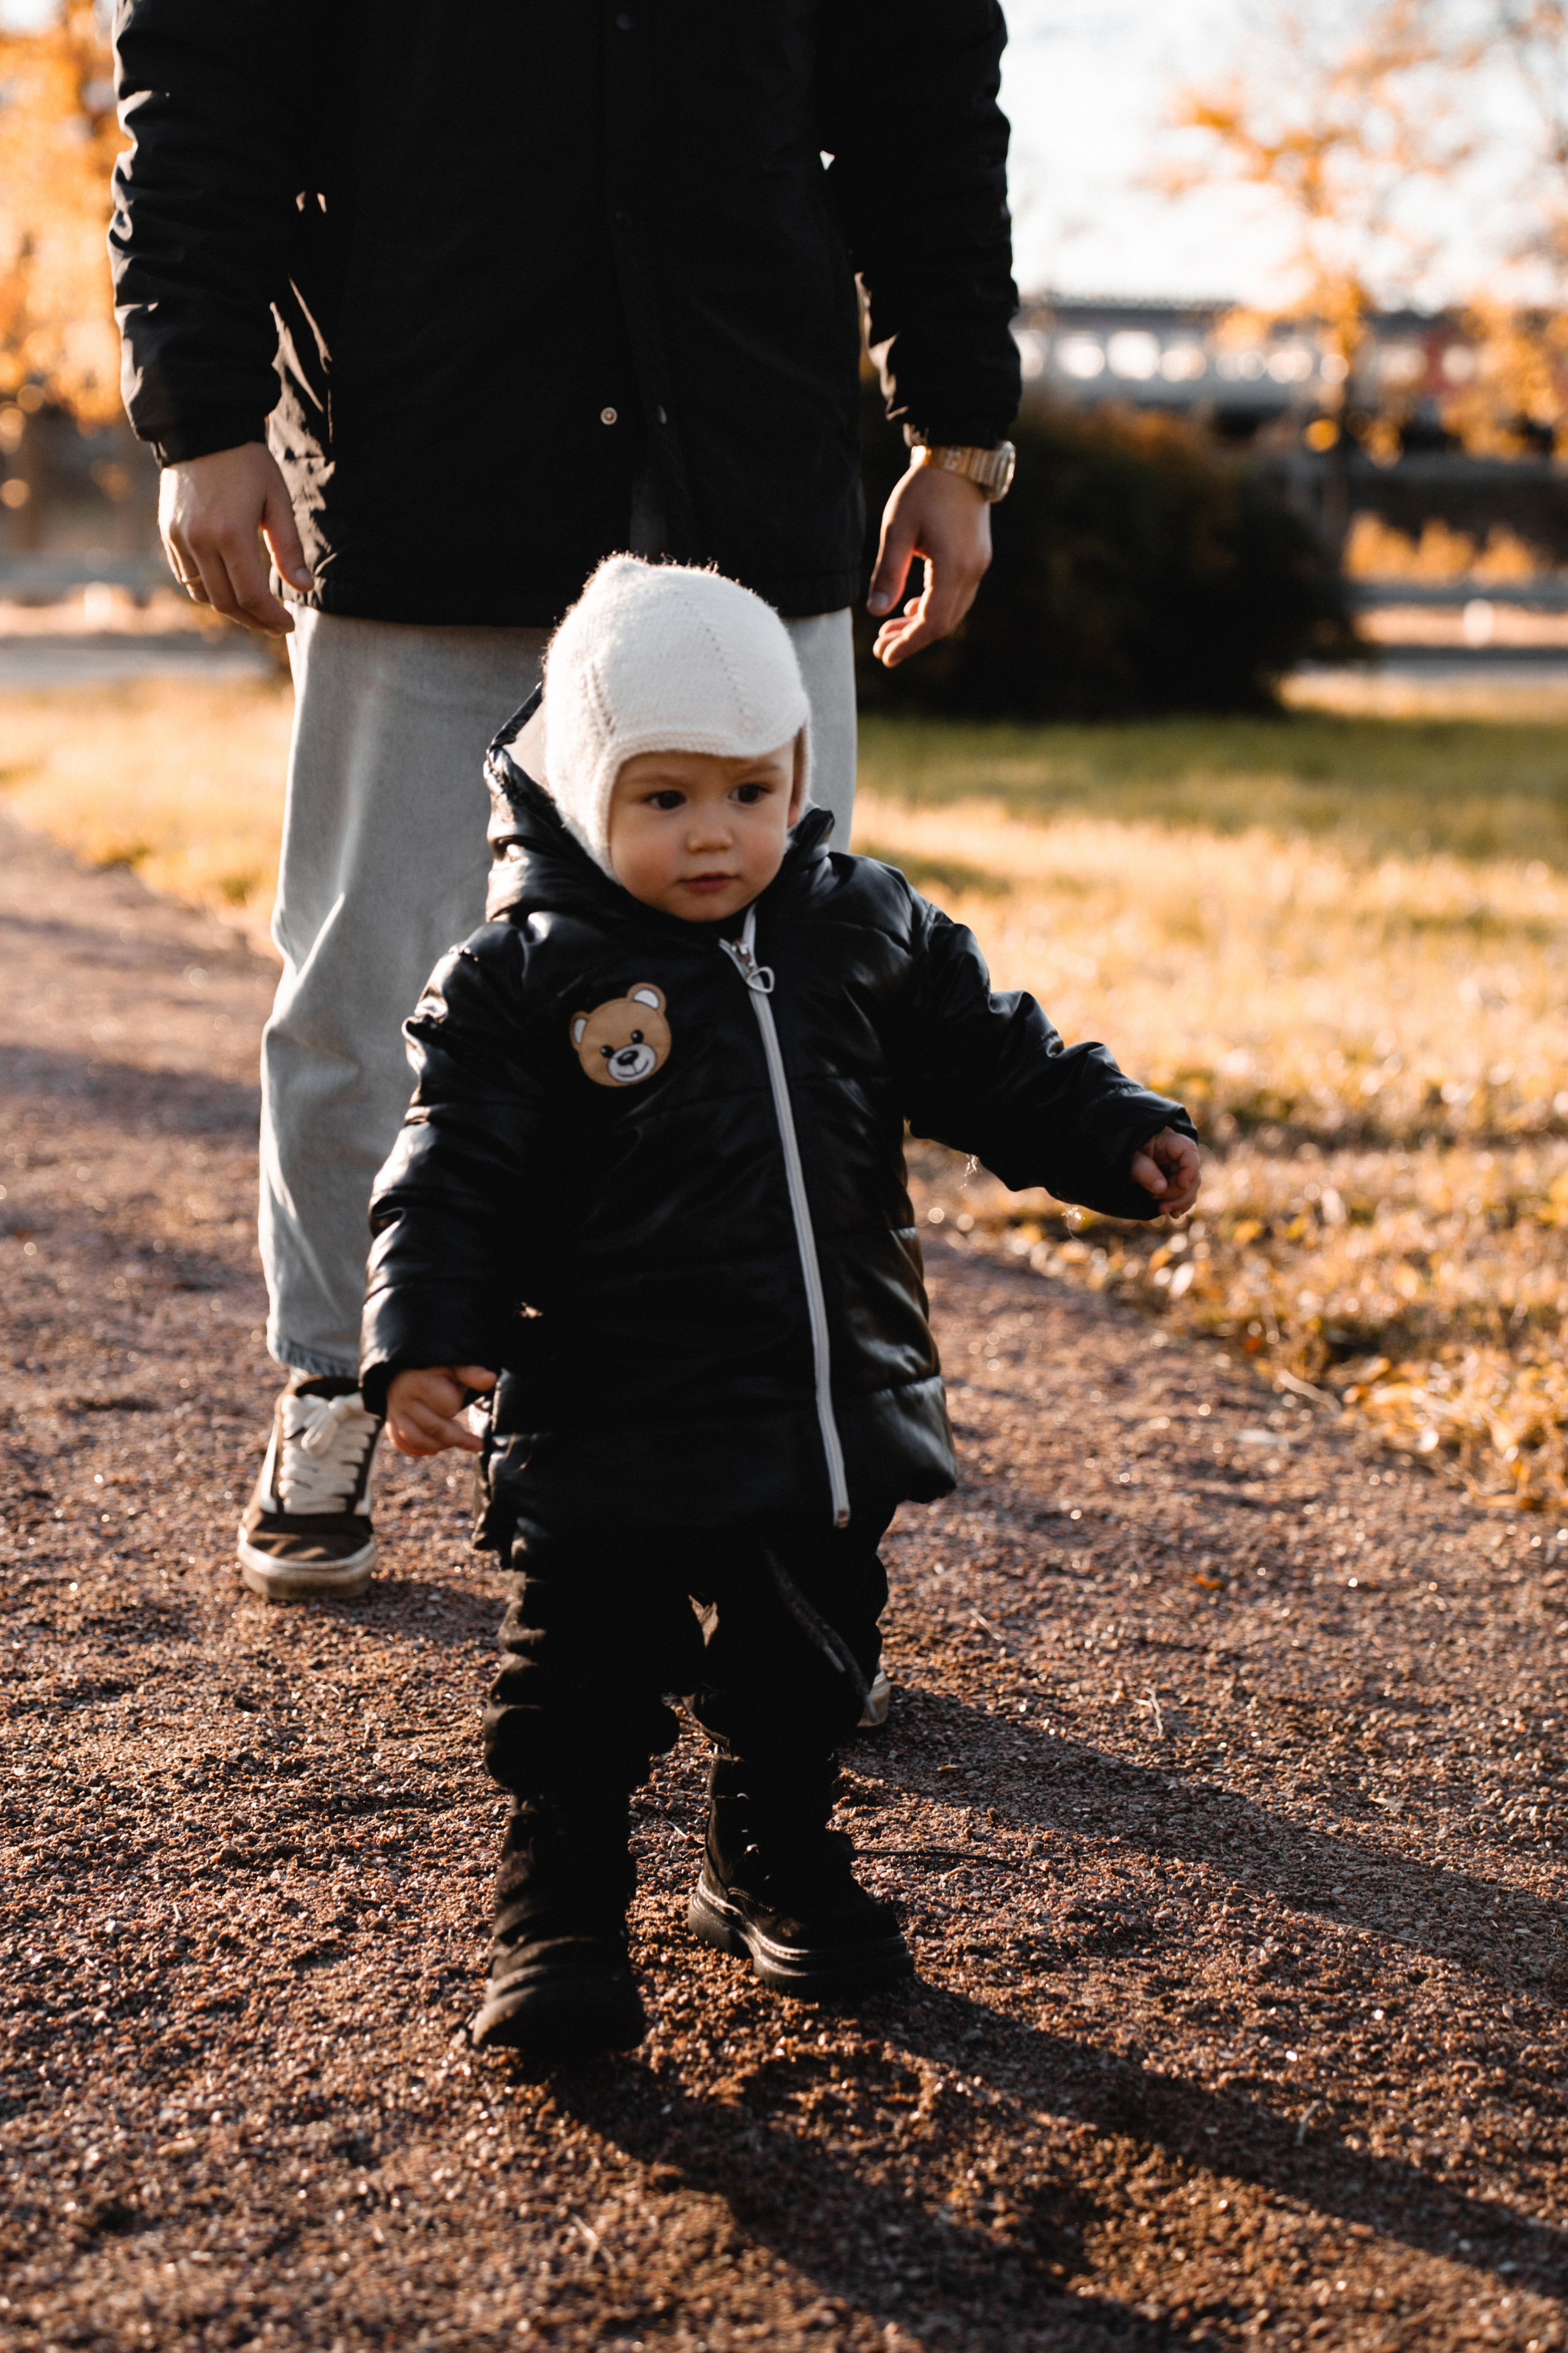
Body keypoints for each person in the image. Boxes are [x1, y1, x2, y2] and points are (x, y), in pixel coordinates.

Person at [107, 1, 1023, 1603]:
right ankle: (338, 1371)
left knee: (787, 1019)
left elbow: (925, 98)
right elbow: (204, 76)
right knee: (365, 982)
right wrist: (203, 408)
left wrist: (962, 426)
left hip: (746, 451)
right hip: (426, 449)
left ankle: (763, 1477)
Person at [360, 557, 1200, 2058]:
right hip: (608, 1425)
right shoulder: (520, 977)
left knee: (802, 1666)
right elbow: (451, 1173)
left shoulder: (856, 928)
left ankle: (766, 1855)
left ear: (797, 772)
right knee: (578, 1687)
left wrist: (1105, 1131)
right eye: (665, 797)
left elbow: (993, 1056)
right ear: (582, 786)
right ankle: (556, 1911)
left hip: (814, 1415)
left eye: (750, 791)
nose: (714, 835)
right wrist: (424, 1332)